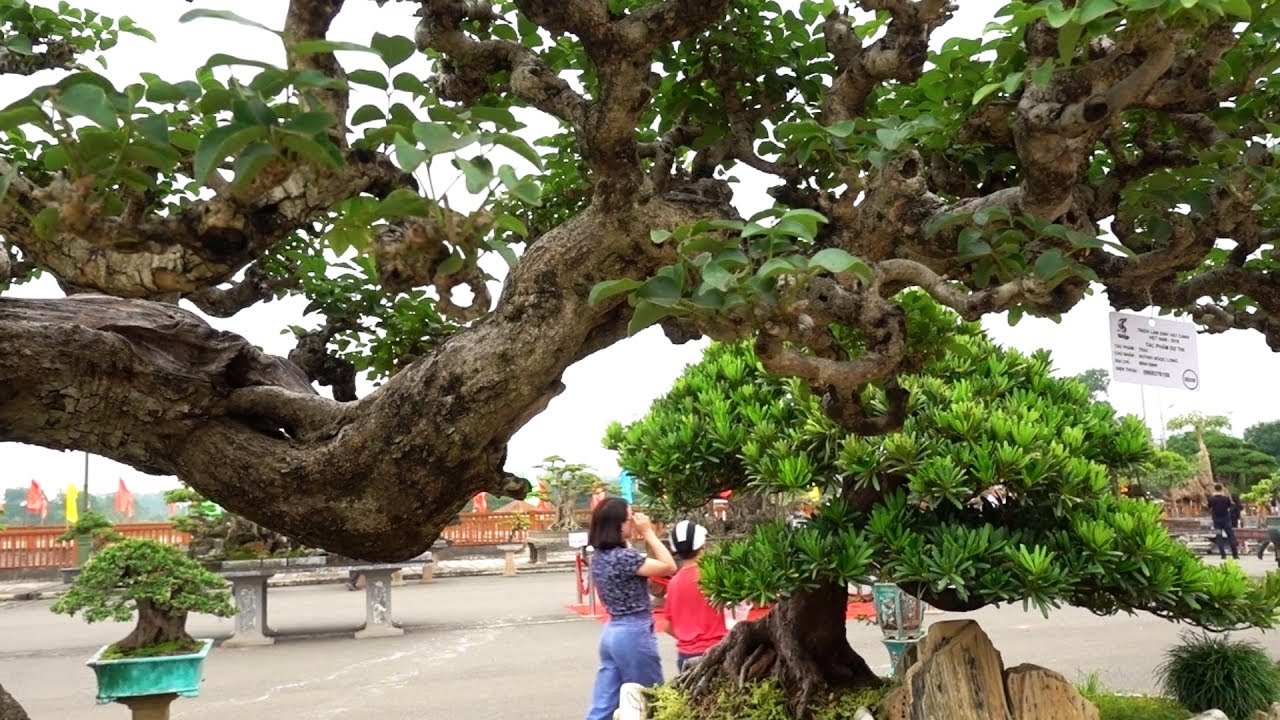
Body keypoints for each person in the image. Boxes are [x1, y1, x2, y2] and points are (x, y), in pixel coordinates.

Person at [584, 498, 677, 720]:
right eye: (630, 518)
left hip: (612, 631)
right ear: (618, 524)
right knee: (653, 698)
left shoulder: (599, 557)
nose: (634, 522)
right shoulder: (624, 558)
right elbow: (669, 566)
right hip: (634, 632)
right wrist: (649, 532)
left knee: (603, 704)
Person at [663, 520, 728, 672]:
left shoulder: (674, 583)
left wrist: (688, 636)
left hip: (686, 655)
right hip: (717, 650)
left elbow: (667, 626)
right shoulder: (713, 576)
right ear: (703, 546)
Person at [1208, 484, 1239, 560]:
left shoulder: (1211, 499)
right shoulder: (1226, 498)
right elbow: (1230, 505)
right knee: (1231, 536)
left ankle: (1223, 555)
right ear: (1221, 489)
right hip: (1226, 520)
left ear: (1214, 489)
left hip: (1216, 521)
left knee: (1218, 537)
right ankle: (1235, 555)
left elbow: (1209, 506)